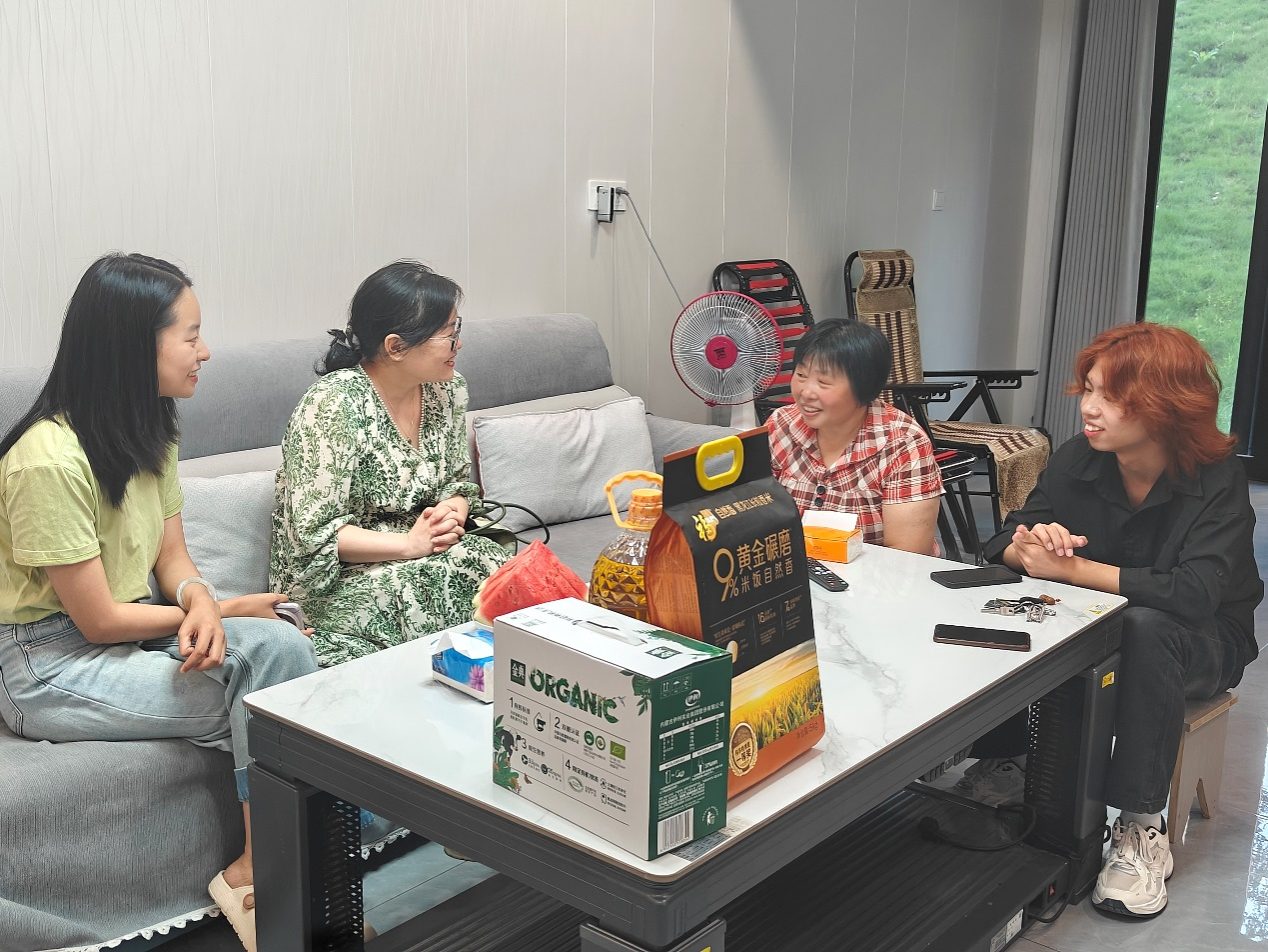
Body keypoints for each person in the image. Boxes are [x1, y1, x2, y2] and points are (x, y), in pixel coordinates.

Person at [0, 254, 320, 952]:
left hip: (129, 632)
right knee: (275, 688)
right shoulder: (47, 460)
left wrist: (202, 596)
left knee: (284, 644)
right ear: (131, 346)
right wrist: (221, 613)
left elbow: (171, 558)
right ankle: (267, 876)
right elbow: (97, 621)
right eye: (190, 336)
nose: (205, 352)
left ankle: (277, 869)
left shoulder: (152, 429)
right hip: (48, 664)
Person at [969, 322, 1261, 918]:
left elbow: (1195, 593)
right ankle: (1008, 756)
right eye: (1089, 389)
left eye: (1110, 396)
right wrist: (1028, 548)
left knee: (1145, 627)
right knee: (1014, 591)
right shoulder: (1079, 459)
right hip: (1102, 621)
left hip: (1201, 640)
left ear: (1165, 405)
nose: (1089, 408)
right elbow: (1001, 540)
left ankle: (1140, 826)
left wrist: (1075, 570)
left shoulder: (1217, 477)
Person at [270, 260, 510, 666]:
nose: (459, 345)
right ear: (396, 347)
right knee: (423, 593)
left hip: (425, 551)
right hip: (340, 578)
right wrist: (409, 545)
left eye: (457, 329)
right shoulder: (332, 405)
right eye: (448, 335)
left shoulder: (447, 391)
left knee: (494, 565)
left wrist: (451, 513)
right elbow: (315, 536)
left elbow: (456, 484)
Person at [767, 318, 943, 555]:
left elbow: (908, 554)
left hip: (878, 574)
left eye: (823, 382)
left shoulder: (903, 443)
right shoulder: (781, 425)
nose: (806, 392)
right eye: (801, 375)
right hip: (795, 568)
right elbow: (753, 516)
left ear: (864, 387)